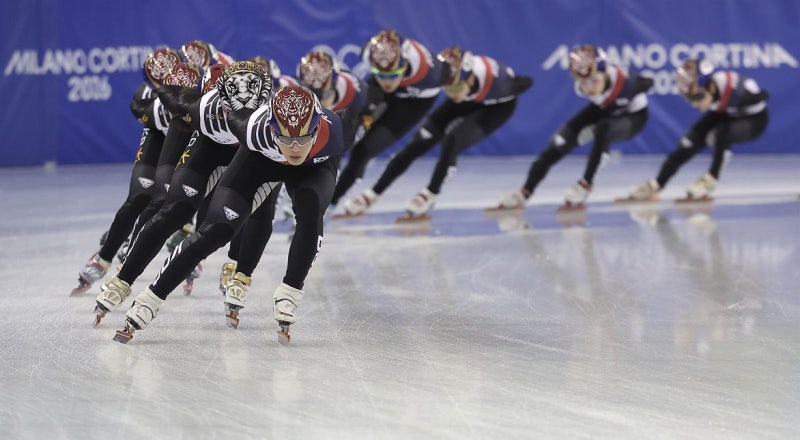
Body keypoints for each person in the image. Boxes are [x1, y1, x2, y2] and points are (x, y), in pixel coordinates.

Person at [110, 83, 345, 346]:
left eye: (303, 138)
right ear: (271, 127)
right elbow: (185, 104)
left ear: (317, 128)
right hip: (261, 160)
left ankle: (290, 292)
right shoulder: (251, 127)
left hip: (314, 168)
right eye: (285, 138)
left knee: (311, 209)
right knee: (215, 230)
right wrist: (164, 89)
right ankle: (151, 298)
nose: (294, 148)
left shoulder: (333, 132)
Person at [92, 60, 272, 324]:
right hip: (209, 145)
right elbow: (163, 100)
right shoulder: (197, 108)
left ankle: (240, 273)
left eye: (246, 112)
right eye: (229, 111)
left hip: (250, 151)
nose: (237, 119)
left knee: (250, 214)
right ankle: (123, 279)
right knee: (174, 209)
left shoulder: (269, 120)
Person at [340, 46, 533, 220]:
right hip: (467, 97)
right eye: (446, 87)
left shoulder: (500, 84)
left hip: (497, 107)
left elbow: (527, 82)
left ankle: (431, 193)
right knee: (416, 144)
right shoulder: (454, 86)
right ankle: (373, 194)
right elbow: (452, 92)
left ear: (471, 78)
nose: (450, 93)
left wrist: (513, 84)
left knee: (452, 141)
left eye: (454, 86)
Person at [70, 48, 197, 295]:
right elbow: (140, 110)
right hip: (158, 139)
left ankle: (186, 240)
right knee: (140, 197)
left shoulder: (195, 88)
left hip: (186, 140)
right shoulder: (145, 97)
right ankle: (104, 257)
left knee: (176, 198)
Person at [490, 44, 653, 211]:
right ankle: (524, 192)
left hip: (634, 117)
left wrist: (643, 85)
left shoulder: (626, 82)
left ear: (605, 73)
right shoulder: (585, 86)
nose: (589, 88)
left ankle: (586, 185)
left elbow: (648, 82)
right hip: (605, 109)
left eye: (594, 80)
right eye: (583, 82)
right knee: (559, 143)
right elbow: (598, 101)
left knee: (603, 128)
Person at [327, 29, 451, 215]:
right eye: (381, 73)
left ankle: (331, 202)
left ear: (405, 64)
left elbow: (451, 74)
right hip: (381, 90)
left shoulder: (431, 72)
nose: (387, 81)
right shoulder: (369, 53)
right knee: (351, 125)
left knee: (364, 151)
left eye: (392, 75)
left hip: (413, 103)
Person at [621, 57, 769, 202]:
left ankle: (711, 179)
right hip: (724, 113)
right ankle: (658, 184)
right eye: (689, 99)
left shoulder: (740, 89)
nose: (694, 104)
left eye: (697, 97)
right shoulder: (708, 92)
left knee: (723, 132)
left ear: (711, 88)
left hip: (754, 120)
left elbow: (761, 97)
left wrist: (757, 97)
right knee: (688, 142)